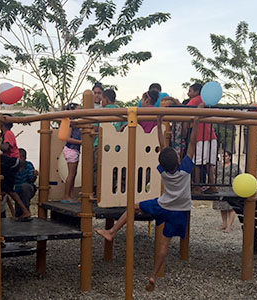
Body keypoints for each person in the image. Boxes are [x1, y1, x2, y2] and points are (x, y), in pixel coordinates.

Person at [96, 115, 199, 292]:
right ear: (178, 160)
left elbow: (162, 146)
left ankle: (112, 231)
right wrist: (196, 121)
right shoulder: (185, 170)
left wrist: (159, 124)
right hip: (180, 212)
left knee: (133, 206)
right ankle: (153, 274)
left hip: (163, 206)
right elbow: (192, 143)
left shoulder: (163, 171)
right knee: (164, 246)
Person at [186, 83, 218, 194]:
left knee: (197, 162)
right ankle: (212, 185)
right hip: (211, 135)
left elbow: (183, 110)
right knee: (209, 163)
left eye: (190, 91)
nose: (188, 94)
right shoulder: (207, 101)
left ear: (196, 92)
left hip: (200, 135)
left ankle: (197, 186)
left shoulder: (196, 100)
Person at [0, 117, 32, 221]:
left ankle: (25, 211)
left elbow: (5, 148)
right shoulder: (3, 134)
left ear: (1, 124)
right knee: (7, 189)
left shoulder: (8, 133)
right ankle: (25, 211)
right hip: (9, 162)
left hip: (12, 161)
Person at [213, 151, 240, 232]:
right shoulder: (218, 166)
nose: (224, 157)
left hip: (231, 188)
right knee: (222, 206)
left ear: (230, 157)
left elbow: (239, 175)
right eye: (223, 156)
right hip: (220, 188)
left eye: (226, 156)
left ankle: (229, 226)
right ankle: (224, 224)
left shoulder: (235, 166)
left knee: (231, 207)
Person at [62, 103, 82, 202]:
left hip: (74, 150)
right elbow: (67, 138)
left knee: (73, 174)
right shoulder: (70, 124)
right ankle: (66, 196)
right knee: (71, 174)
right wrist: (81, 142)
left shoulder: (77, 123)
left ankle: (70, 195)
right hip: (71, 149)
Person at [13, 148, 38, 217]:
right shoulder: (14, 166)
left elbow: (31, 180)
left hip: (28, 188)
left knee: (24, 187)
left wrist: (34, 176)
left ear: (25, 158)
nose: (19, 160)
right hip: (16, 190)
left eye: (21, 158)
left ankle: (25, 211)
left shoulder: (28, 165)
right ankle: (20, 214)